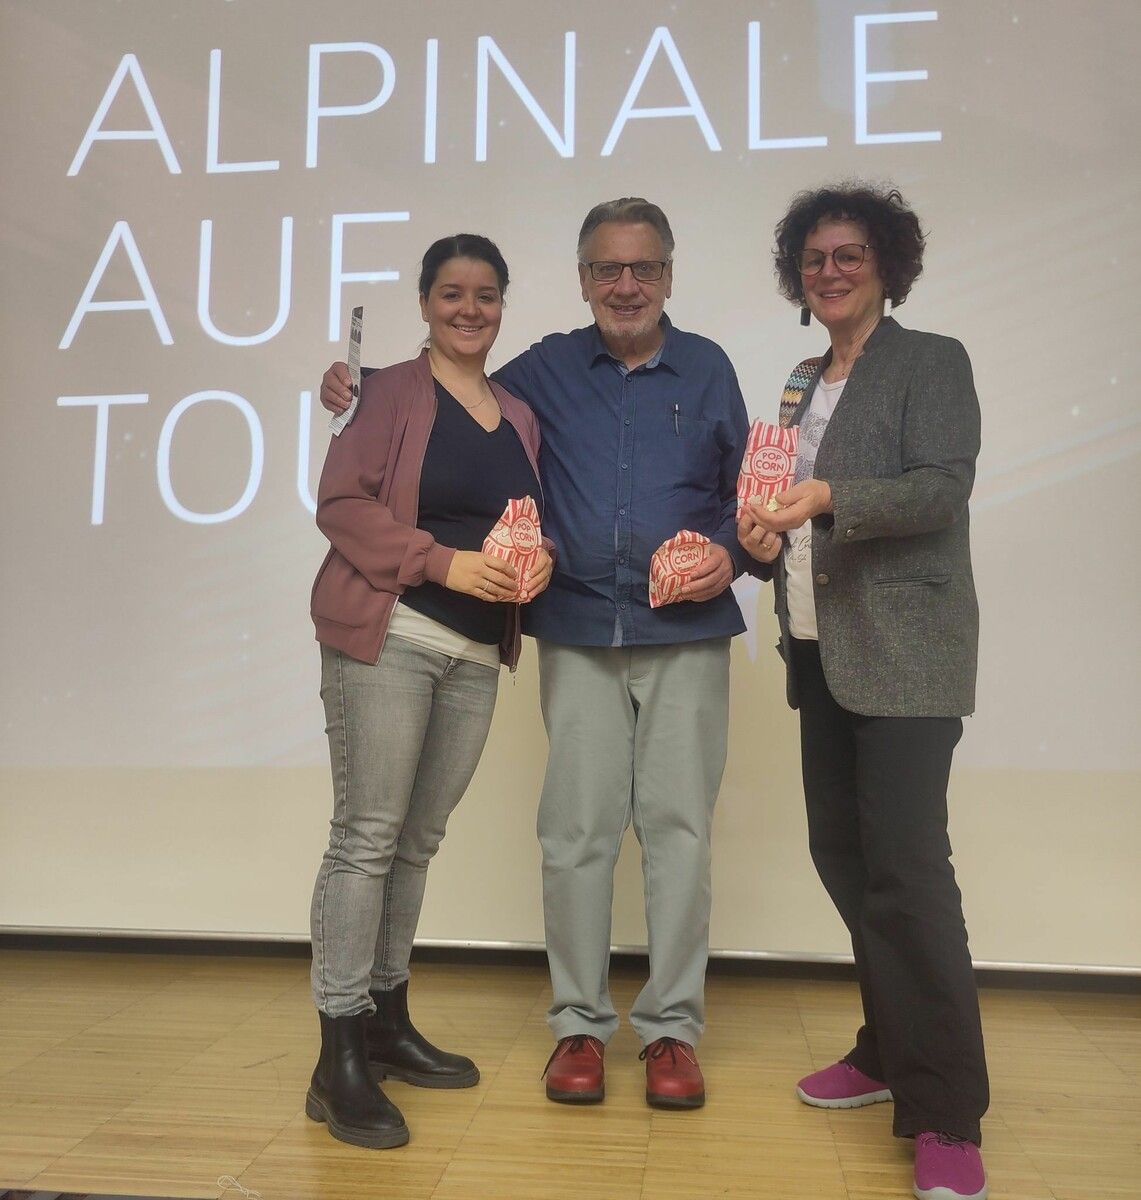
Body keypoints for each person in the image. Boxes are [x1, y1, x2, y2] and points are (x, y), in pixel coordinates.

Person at [322, 198, 752, 1110]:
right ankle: (578, 1029)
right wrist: (349, 392)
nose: (624, 284)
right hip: (579, 630)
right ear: (582, 279)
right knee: (575, 838)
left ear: (669, 275)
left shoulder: (709, 369)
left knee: (677, 835)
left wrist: (732, 549)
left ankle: (671, 1031)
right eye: (606, 269)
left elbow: (743, 498)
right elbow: (443, 387)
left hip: (687, 634)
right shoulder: (541, 372)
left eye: (642, 268)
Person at [738, 184, 989, 1200]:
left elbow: (941, 486)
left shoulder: (931, 361)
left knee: (908, 878)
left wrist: (830, 497)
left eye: (847, 254)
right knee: (843, 855)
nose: (828, 271)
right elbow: (785, 514)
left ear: (886, 263)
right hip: (818, 649)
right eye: (812, 259)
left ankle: (945, 1114)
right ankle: (887, 1049)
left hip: (908, 654)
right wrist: (759, 544)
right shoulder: (800, 380)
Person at [307, 234, 552, 1150]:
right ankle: (336, 1062)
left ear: (502, 305)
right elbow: (340, 502)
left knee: (416, 842)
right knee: (365, 840)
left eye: (486, 294)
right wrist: (441, 561)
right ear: (423, 302)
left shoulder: (519, 415)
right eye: (451, 293)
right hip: (393, 635)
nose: (470, 309)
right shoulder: (381, 392)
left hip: (477, 654)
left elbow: (524, 524)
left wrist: (535, 561)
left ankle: (385, 1024)